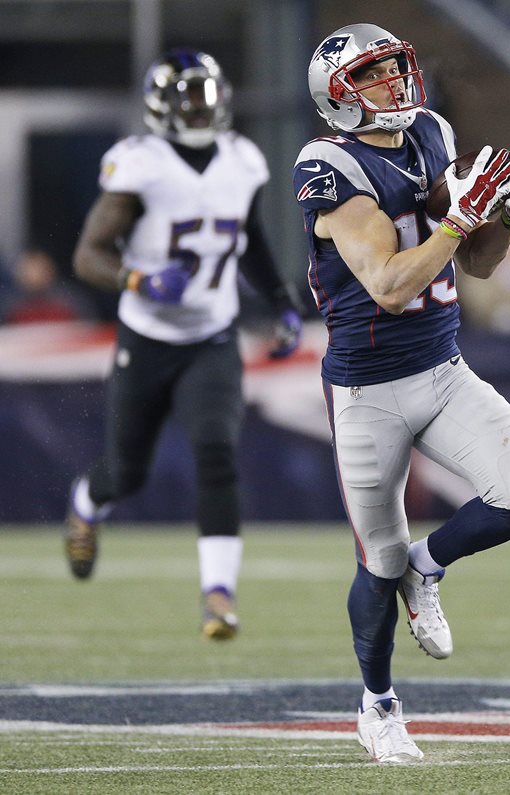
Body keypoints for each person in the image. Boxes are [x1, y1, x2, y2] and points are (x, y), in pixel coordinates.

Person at [297, 24, 510, 763]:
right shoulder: (327, 164)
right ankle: (378, 707)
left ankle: (428, 565)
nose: (394, 84)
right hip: (367, 389)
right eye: (375, 76)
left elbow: (476, 264)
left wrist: (503, 216)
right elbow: (389, 285)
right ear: (340, 97)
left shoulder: (431, 132)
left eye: (394, 68)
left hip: (442, 371)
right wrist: (458, 216)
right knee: (377, 558)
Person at [64, 48, 303, 641]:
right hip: (147, 337)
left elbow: (250, 236)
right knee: (126, 473)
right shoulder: (139, 165)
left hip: (212, 336)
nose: (201, 108)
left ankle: (218, 595)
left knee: (217, 452)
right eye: (188, 97)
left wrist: (280, 301)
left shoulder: (243, 160)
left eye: (208, 94)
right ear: (161, 106)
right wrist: (137, 278)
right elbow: (88, 255)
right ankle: (87, 504)